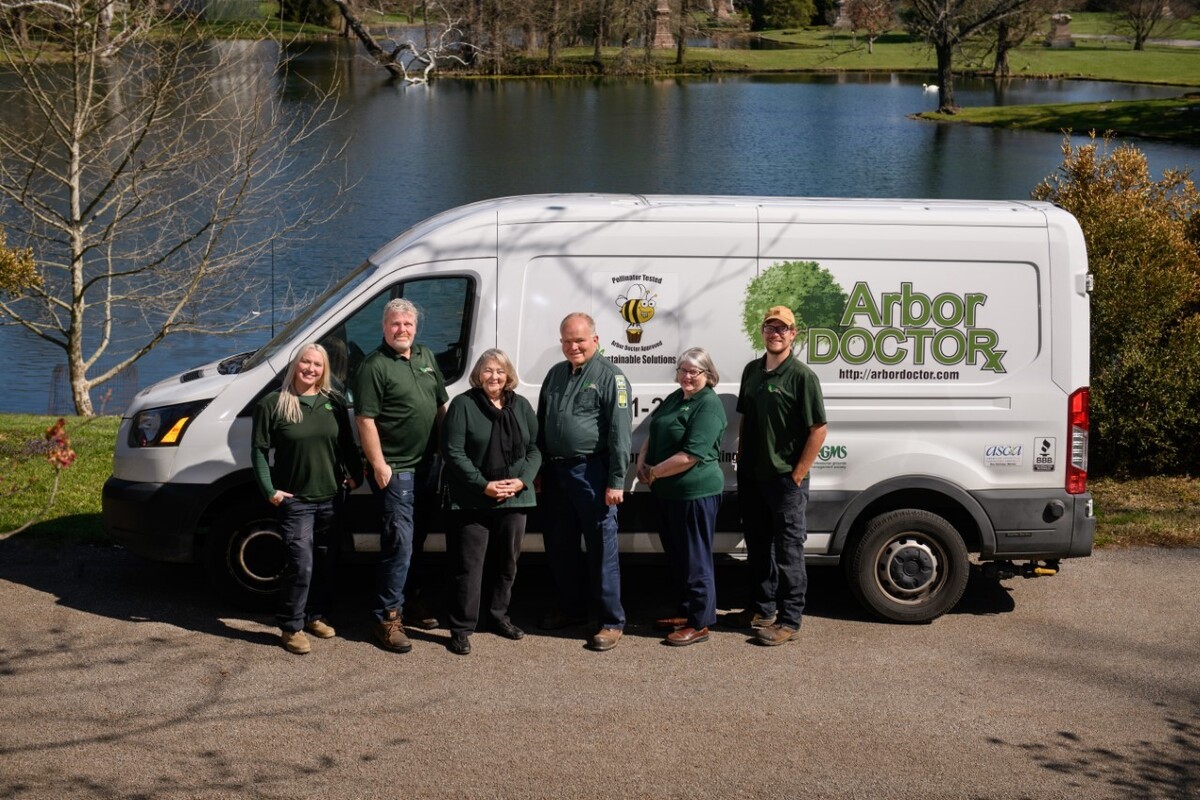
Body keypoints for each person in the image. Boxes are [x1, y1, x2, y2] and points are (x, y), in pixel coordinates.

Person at [251, 343, 362, 655]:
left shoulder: (333, 403)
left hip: (331, 497)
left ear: (324, 369)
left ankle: (315, 616)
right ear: (295, 366)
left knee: (326, 562)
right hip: (296, 501)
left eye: (317, 364)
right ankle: (291, 626)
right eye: (305, 363)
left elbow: (347, 445)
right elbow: (259, 450)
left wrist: (356, 475)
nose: (311, 369)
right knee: (301, 565)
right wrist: (269, 490)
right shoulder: (273, 404)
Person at [353, 298, 448, 653]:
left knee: (418, 539)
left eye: (407, 324)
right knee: (400, 543)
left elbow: (441, 407)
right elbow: (365, 420)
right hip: (396, 469)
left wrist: (447, 453)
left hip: (429, 465)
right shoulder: (374, 366)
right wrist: (378, 465)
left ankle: (409, 601)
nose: (402, 330)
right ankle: (386, 617)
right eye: (395, 324)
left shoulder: (425, 357)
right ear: (384, 327)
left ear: (415, 328)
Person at [537, 312, 632, 652]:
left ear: (595, 339)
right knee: (560, 544)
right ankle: (573, 608)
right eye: (566, 340)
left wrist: (616, 480)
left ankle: (610, 620)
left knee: (601, 548)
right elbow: (541, 423)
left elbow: (621, 434)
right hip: (557, 472)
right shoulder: (556, 374)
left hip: (593, 472)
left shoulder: (611, 377)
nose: (572, 346)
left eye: (579, 340)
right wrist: (537, 470)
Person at [734, 306, 828, 646]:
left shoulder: (802, 377)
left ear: (793, 334)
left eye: (782, 328)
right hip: (753, 478)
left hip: (785, 481)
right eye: (770, 327)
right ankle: (762, 609)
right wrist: (742, 458)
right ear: (762, 332)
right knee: (759, 549)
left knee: (789, 552)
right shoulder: (752, 371)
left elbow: (818, 429)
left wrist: (798, 474)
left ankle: (790, 621)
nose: (775, 333)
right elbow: (745, 418)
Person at [440, 349, 542, 656]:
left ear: (508, 374)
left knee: (506, 564)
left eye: (499, 371)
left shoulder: (521, 406)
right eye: (487, 370)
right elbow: (453, 452)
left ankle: (499, 617)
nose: (494, 376)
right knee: (468, 567)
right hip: (472, 499)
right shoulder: (463, 405)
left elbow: (535, 449)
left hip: (515, 498)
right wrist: (483, 485)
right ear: (477, 374)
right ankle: (461, 628)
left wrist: (522, 480)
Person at [636, 347, 727, 647]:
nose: (687, 376)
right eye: (683, 370)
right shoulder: (678, 397)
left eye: (694, 372)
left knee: (696, 559)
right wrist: (642, 459)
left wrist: (654, 473)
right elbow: (656, 427)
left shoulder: (708, 406)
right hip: (669, 494)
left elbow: (690, 456)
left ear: (708, 375)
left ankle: (700, 623)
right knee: (678, 557)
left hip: (695, 493)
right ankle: (687, 612)